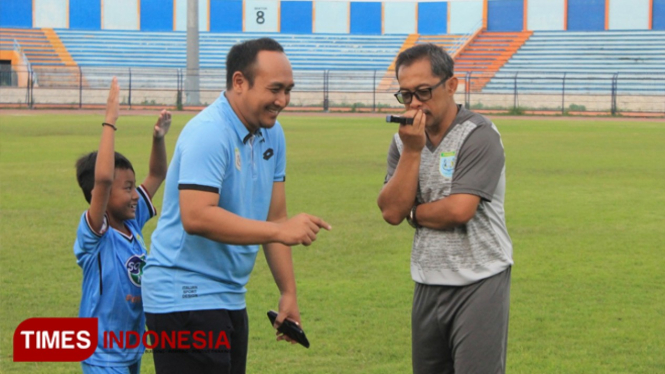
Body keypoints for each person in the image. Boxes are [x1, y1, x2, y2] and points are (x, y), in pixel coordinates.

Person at [142, 37, 331, 374]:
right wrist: (279, 230)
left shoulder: (273, 134)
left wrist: (288, 292)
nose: (283, 100)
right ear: (239, 82)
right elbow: (197, 216)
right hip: (183, 297)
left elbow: (276, 215)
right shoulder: (210, 132)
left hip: (228, 296)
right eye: (275, 89)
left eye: (288, 89)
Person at [377, 43, 513, 374]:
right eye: (406, 95)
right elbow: (391, 211)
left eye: (424, 92)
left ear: (451, 85)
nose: (415, 104)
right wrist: (412, 151)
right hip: (426, 280)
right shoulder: (404, 139)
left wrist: (415, 213)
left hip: (479, 279)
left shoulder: (478, 134)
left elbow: (458, 210)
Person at [73, 77, 171, 374]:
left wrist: (157, 138)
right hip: (101, 354)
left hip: (129, 348)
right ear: (101, 196)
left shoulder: (133, 221)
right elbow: (103, 179)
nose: (134, 195)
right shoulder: (95, 234)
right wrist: (110, 121)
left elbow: (156, 174)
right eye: (126, 188)